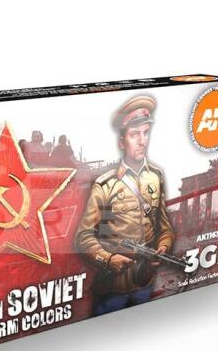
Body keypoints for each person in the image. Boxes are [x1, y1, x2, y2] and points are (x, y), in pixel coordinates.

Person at [75, 95, 174, 315]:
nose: (142, 140)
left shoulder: (155, 177)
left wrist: (163, 247)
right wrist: (108, 259)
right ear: (122, 142)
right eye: (134, 134)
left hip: (144, 282)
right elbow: (83, 237)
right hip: (113, 288)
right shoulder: (106, 185)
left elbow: (164, 227)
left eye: (146, 133)